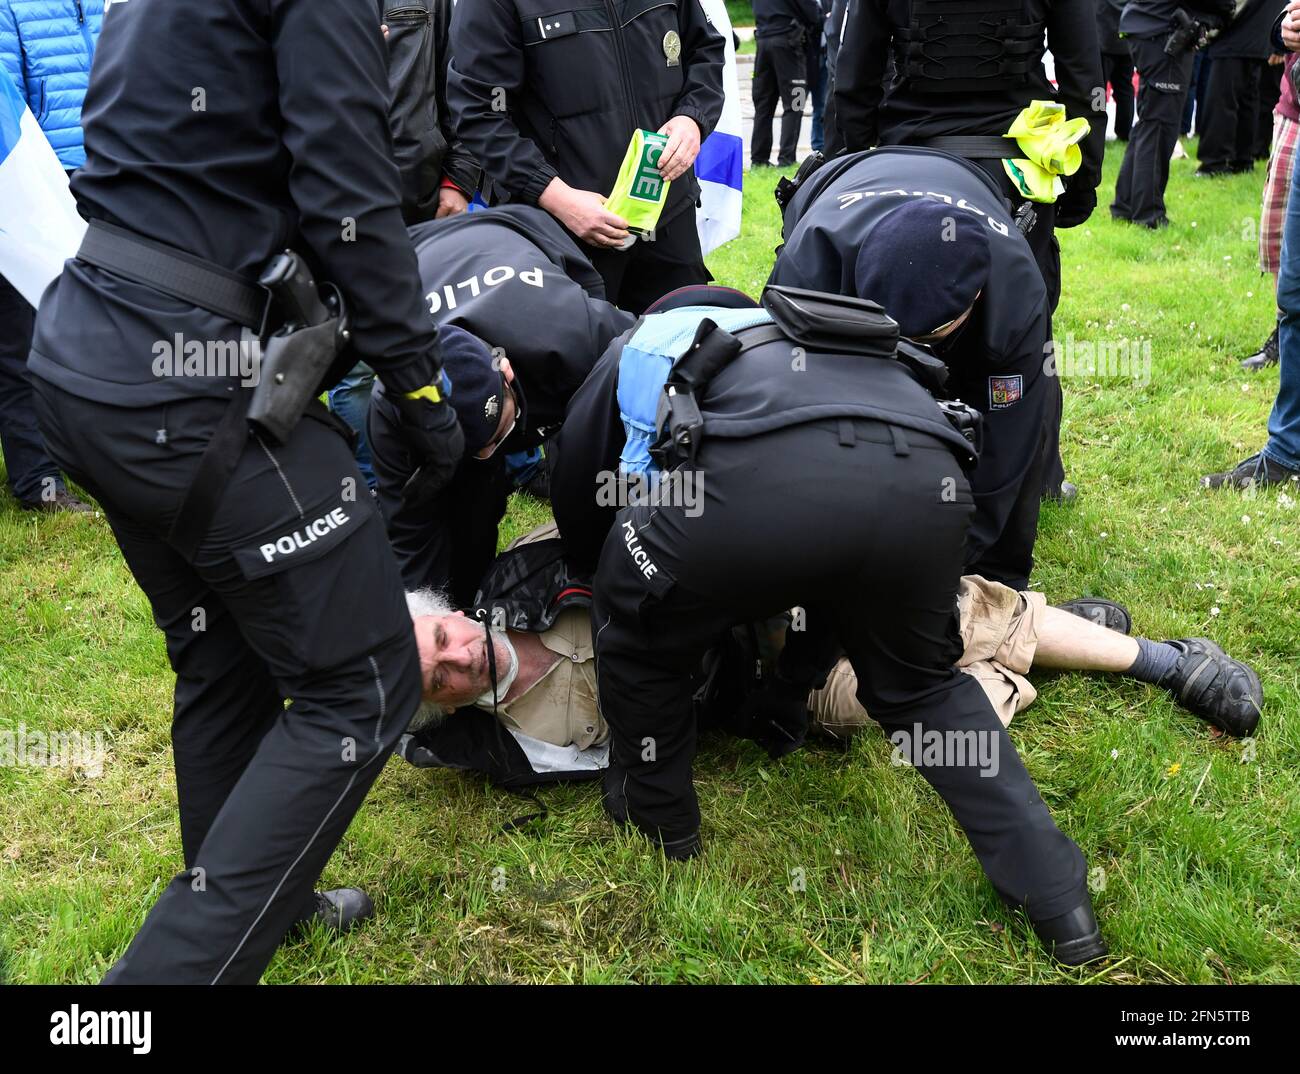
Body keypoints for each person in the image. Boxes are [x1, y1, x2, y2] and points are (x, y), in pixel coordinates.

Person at [27, 0, 465, 984]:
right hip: (183, 380)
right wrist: (422, 388)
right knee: (362, 682)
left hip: (88, 346)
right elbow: (347, 193)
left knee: (220, 650)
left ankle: (278, 898)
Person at [550, 286, 1108, 964]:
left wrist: (606, 577)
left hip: (748, 492)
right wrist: (792, 684)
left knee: (638, 639)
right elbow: (838, 579)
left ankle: (659, 818)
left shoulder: (636, 346)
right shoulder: (809, 344)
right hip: (923, 485)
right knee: (924, 691)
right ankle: (1058, 901)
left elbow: (579, 491)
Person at [766, 147, 1051, 590]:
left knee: (1020, 445)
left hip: (967, 177)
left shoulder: (1017, 300)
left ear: (975, 298)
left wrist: (955, 564)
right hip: (848, 181)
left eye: (928, 337)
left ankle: (997, 580)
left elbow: (1009, 446)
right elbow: (782, 406)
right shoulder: (810, 266)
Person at [368, 206, 635, 605]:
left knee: (588, 478)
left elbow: (652, 360)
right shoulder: (392, 408)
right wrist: (429, 620)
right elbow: (409, 533)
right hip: (421, 253)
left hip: (519, 230)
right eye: (475, 448)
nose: (488, 454)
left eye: (496, 436)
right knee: (468, 505)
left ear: (506, 371)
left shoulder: (582, 336)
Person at [446, 0, 725, 314]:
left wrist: (692, 118)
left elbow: (705, 50)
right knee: (581, 359)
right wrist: (557, 197)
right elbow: (480, 111)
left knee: (684, 351)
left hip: (667, 215)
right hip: (562, 232)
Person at [327, 5, 483, 493]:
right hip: (337, 204)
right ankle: (378, 488)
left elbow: (460, 78)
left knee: (457, 331)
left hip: (423, 201)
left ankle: (484, 453)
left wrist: (459, 178)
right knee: (353, 366)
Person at [0, 0, 98, 513]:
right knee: (26, 342)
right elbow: (5, 104)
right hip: (37, 190)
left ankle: (107, 456)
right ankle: (39, 479)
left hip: (112, 181)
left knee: (107, 333)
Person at [1204, 0, 1300, 490]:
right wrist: (1284, 27)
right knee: (1290, 273)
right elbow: (1276, 25)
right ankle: (1286, 452)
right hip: (1297, 111)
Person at [1111, 0, 1236, 229]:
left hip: (1151, 28)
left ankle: (1125, 205)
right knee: (1159, 127)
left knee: (1150, 123)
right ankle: (1148, 215)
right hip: (1163, 33)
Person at [1242, 52, 1300, 372]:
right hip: (1295, 110)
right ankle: (1284, 331)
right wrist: (1283, 30)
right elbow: (1282, 20)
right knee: (1278, 231)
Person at [1195, 0, 1278, 178]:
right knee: (1248, 100)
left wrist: (1211, 26)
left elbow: (1231, 4)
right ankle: (1242, 160)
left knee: (1222, 101)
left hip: (1235, 34)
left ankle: (1214, 162)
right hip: (1259, 35)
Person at [751, 0, 823, 167]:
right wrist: (819, 18)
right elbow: (811, 12)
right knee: (796, 103)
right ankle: (786, 159)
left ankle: (759, 160)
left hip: (762, 42)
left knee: (763, 105)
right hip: (788, 41)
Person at [1098, 0, 1136, 141]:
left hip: (1103, 38)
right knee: (1125, 89)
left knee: (1099, 89)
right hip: (1126, 38)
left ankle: (1097, 131)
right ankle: (1125, 132)